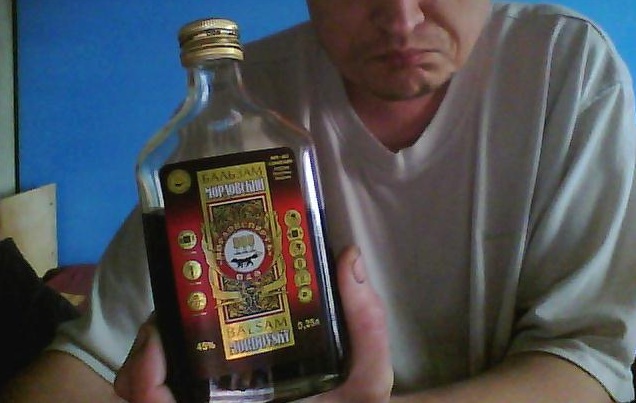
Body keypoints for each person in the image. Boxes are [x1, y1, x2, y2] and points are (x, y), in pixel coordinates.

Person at [3, 0, 636, 401]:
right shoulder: (242, 109)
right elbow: (87, 362)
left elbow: (590, 364)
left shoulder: (565, 69)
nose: (402, 18)